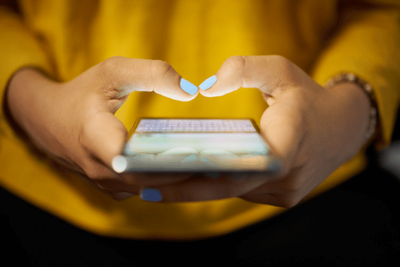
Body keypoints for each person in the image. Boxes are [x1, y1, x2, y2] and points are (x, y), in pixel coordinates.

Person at [1, 0, 399, 265]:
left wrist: (349, 111)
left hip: (319, 195)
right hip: (44, 204)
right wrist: (28, 102)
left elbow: (381, 10)